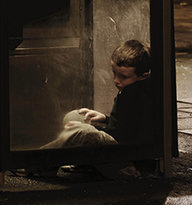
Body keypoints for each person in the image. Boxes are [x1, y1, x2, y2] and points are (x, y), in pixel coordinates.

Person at [15, 40, 156, 179]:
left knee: (82, 133)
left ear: (143, 76)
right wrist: (105, 119)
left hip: (129, 165)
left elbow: (123, 137)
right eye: (114, 73)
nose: (116, 80)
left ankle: (29, 163)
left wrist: (90, 130)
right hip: (120, 145)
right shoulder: (132, 87)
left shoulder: (135, 93)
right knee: (74, 117)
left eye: (123, 77)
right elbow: (127, 124)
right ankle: (55, 164)